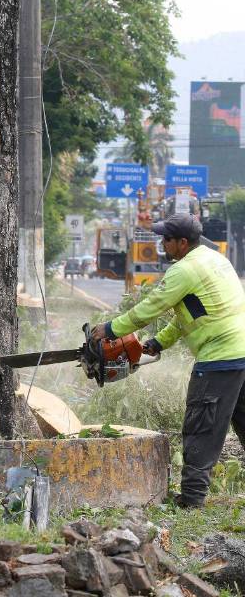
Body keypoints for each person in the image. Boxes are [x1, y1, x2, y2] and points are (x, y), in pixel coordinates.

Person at [91, 213, 245, 508]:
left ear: (182, 242)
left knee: (201, 428)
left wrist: (110, 329)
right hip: (241, 354)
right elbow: (190, 314)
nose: (162, 244)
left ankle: (191, 500)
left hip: (219, 358)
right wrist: (159, 342)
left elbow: (150, 308)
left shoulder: (183, 270)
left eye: (167, 239)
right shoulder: (215, 259)